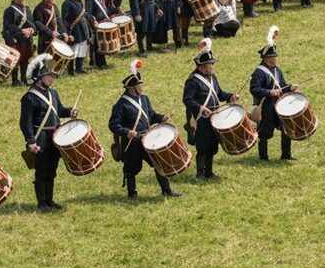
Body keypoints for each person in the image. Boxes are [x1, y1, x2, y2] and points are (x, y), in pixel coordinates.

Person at [109, 60, 180, 200]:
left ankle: (166, 190)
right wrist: (127, 132)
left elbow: (151, 116)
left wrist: (162, 118)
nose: (142, 86)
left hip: (147, 138)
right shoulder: (121, 104)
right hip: (132, 142)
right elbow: (113, 125)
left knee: (158, 162)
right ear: (132, 88)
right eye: (140, 85)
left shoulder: (144, 99)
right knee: (131, 168)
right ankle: (132, 193)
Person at [20, 54, 77, 212]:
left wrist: (69, 111)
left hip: (55, 136)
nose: (51, 78)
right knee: (42, 171)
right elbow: (25, 123)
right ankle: (41, 203)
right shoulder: (29, 98)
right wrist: (31, 142)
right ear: (39, 78)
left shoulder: (54, 93)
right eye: (48, 75)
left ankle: (50, 200)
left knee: (52, 170)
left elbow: (58, 110)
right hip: (41, 138)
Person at [182, 39, 238, 180]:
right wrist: (201, 108)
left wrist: (230, 96)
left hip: (214, 116)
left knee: (212, 145)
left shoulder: (212, 78)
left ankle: (209, 173)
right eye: (209, 64)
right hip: (201, 118)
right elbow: (187, 100)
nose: (212, 67)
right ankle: (200, 174)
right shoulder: (192, 81)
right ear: (201, 67)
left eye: (211, 64)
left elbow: (218, 94)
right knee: (202, 146)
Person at [249, 26, 298, 162]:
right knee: (264, 132)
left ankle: (286, 155)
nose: (274, 59)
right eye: (272, 57)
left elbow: (281, 86)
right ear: (265, 59)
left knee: (286, 127)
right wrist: (269, 92)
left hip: (279, 103)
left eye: (275, 56)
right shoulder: (259, 72)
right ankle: (263, 157)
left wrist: (290, 87)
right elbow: (254, 89)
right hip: (266, 105)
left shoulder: (277, 70)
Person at [2, 0, 36, 87]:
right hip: (14, 38)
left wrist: (31, 30)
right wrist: (22, 31)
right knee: (15, 60)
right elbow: (8, 26)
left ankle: (24, 79)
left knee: (25, 59)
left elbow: (32, 23)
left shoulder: (27, 9)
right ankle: (15, 80)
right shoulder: (9, 11)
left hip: (26, 39)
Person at [86, 0, 120, 68]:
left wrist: (115, 10)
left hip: (103, 23)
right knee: (98, 45)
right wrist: (95, 24)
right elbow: (88, 14)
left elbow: (105, 11)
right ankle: (99, 63)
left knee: (102, 44)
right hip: (96, 25)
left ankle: (103, 63)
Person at [60, 0, 91, 75]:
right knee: (74, 50)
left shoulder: (80, 2)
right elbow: (64, 20)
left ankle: (79, 68)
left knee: (82, 48)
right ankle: (71, 70)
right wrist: (67, 33)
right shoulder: (66, 3)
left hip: (82, 28)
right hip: (74, 30)